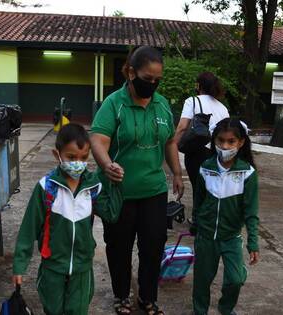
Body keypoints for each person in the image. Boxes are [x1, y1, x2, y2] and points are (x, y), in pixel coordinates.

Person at [90, 46, 184, 315]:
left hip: (153, 190)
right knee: (119, 248)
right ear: (131, 72)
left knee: (153, 248)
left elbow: (169, 141)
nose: (151, 85)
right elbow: (98, 139)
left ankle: (147, 297)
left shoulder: (162, 104)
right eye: (147, 78)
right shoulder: (114, 103)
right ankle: (121, 295)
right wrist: (107, 165)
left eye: (157, 80)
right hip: (120, 192)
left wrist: (177, 172)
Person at [12, 123, 122, 315]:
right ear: (58, 155)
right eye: (71, 157)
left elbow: (111, 214)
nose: (77, 163)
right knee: (53, 311)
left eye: (83, 157)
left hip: (82, 270)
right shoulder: (46, 188)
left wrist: (114, 183)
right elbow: (28, 228)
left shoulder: (93, 187)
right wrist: (19, 265)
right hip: (52, 269)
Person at [190, 118, 260, 315]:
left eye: (231, 141)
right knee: (202, 280)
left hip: (231, 238)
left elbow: (251, 212)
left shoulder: (248, 173)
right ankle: (200, 311)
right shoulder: (205, 167)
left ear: (241, 143)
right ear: (214, 141)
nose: (225, 146)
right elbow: (198, 200)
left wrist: (253, 242)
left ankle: (226, 308)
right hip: (206, 236)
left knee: (236, 279)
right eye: (220, 140)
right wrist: (196, 224)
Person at [173, 72, 229, 199]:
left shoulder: (192, 101)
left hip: (197, 152)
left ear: (198, 85)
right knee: (212, 190)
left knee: (198, 189)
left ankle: (197, 218)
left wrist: (172, 145)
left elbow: (182, 128)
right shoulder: (223, 108)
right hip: (217, 153)